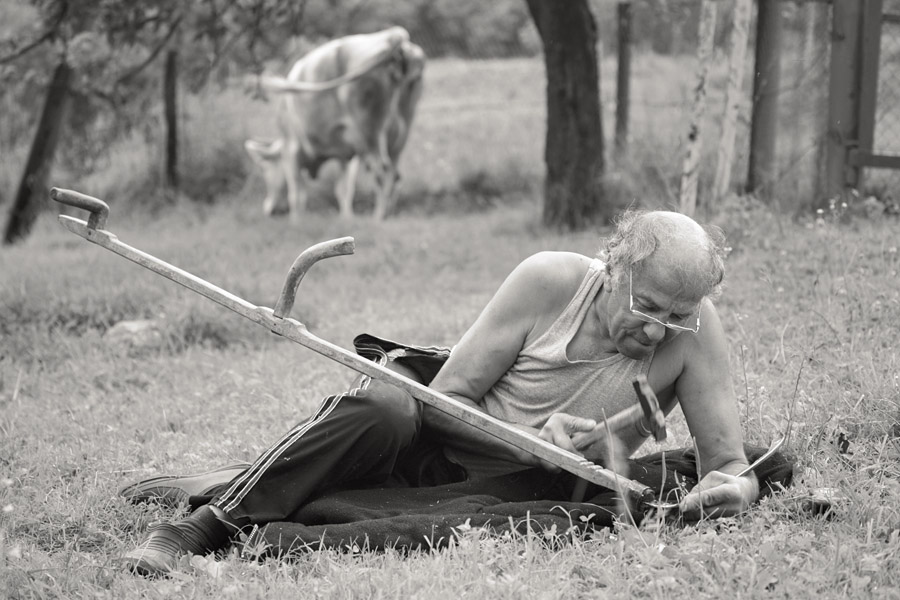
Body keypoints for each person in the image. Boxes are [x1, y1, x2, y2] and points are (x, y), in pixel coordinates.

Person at [121, 209, 768, 576]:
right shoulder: (550, 281)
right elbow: (444, 401)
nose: (657, 331)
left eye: (677, 316)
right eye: (647, 306)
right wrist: (532, 443)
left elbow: (728, 463)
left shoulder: (694, 331)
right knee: (385, 406)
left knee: (336, 499)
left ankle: (254, 479)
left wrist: (733, 490)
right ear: (613, 268)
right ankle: (199, 527)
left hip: (511, 488)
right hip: (432, 445)